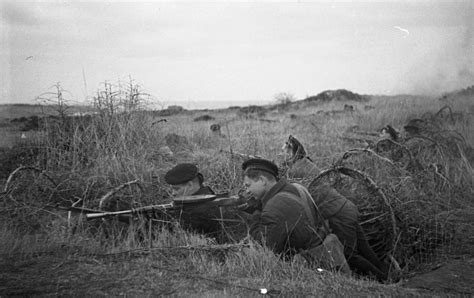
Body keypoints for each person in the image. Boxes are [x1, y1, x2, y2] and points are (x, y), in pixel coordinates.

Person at [241, 158, 330, 260]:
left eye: (248, 185)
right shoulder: (295, 187)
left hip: (308, 262)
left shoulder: (275, 206)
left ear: (262, 180)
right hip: (320, 246)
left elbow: (265, 247)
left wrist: (255, 214)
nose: (247, 191)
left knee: (242, 252)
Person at [310, 184, 389, 281]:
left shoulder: (307, 196)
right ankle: (385, 272)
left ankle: (382, 278)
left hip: (341, 215)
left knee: (350, 255)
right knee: (363, 247)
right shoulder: (311, 190)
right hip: (349, 207)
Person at [164, 163, 222, 240]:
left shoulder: (202, 209)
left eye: (177, 189)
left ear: (190, 185)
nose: (173, 193)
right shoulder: (204, 198)